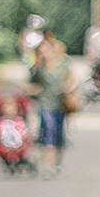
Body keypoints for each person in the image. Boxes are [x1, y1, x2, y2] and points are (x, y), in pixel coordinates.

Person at [31, 35, 69, 175]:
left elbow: (72, 79)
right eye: (41, 51)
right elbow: (34, 85)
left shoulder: (62, 64)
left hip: (61, 103)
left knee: (59, 135)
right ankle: (49, 166)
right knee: (49, 134)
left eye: (46, 49)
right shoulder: (38, 69)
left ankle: (58, 164)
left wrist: (68, 88)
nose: (44, 53)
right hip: (46, 104)